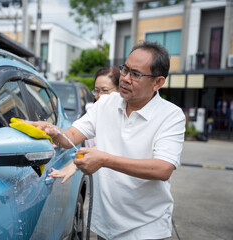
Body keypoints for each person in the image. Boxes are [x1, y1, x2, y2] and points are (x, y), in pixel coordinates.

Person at [25, 41, 186, 240]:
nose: (125, 79)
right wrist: (53, 131)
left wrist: (104, 160)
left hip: (146, 229)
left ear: (158, 82)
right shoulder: (107, 103)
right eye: (125, 70)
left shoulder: (171, 115)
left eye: (135, 74)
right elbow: (72, 136)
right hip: (105, 226)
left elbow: (163, 169)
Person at [50, 66, 120, 183]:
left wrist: (73, 165)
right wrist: (58, 136)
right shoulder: (94, 113)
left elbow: (107, 145)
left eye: (105, 90)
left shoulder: (122, 115)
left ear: (119, 90)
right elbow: (73, 134)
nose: (99, 96)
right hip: (95, 182)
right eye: (97, 91)